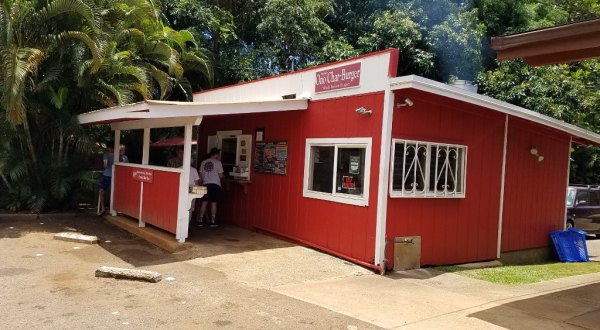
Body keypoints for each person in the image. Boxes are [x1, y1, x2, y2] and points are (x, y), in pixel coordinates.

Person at [98, 142, 129, 215]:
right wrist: (107, 161)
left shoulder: (119, 156)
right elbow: (105, 166)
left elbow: (123, 164)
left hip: (116, 176)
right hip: (106, 176)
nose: (110, 150)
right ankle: (103, 209)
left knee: (117, 193)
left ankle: (117, 208)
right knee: (101, 191)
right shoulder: (106, 155)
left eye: (111, 148)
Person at [197, 148, 224, 227]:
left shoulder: (203, 162)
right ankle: (212, 221)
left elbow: (200, 176)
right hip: (215, 184)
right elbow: (221, 175)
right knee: (213, 203)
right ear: (216, 154)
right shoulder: (218, 163)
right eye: (218, 154)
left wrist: (200, 184)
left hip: (206, 184)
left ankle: (200, 220)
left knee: (204, 202)